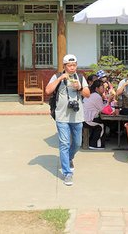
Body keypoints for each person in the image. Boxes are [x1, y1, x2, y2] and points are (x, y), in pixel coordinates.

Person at [45, 54, 91, 186]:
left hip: (77, 116)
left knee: (77, 143)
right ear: (64, 66)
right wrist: (60, 78)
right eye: (69, 65)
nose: (72, 68)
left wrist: (80, 88)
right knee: (64, 143)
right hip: (62, 116)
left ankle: (70, 157)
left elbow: (87, 94)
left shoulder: (80, 77)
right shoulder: (57, 76)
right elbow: (48, 90)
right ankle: (67, 173)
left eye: (74, 65)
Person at [83, 79, 107, 149]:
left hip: (85, 117)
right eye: (102, 87)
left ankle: (92, 141)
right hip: (87, 119)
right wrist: (109, 101)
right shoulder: (97, 96)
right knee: (101, 125)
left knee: (100, 122)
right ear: (97, 88)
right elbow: (103, 110)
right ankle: (95, 145)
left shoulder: (92, 94)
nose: (104, 89)